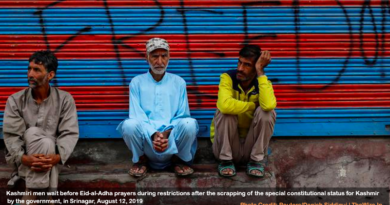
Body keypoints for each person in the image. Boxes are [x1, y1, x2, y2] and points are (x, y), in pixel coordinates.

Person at [117, 38, 198, 178]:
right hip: (147, 141)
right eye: (155, 56)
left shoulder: (178, 82)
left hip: (172, 140)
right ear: (147, 57)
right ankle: (141, 160)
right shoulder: (137, 82)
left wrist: (165, 134)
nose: (159, 62)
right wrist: (154, 134)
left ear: (169, 57)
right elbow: (137, 116)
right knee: (129, 125)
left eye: (164, 56)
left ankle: (179, 160)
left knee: (189, 123)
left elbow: (182, 115)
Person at [3, 50, 79, 197]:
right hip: (24, 158)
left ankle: (30, 195)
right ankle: (48, 196)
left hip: (51, 158)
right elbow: (11, 136)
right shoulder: (15, 100)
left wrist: (57, 157)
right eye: (29, 68)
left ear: (50, 75)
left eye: (37, 70)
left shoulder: (65, 99)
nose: (30, 74)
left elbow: (70, 133)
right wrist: (23, 158)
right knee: (33, 134)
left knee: (47, 143)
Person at [210, 45, 277, 178]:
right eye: (239, 62)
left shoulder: (262, 83)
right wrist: (252, 105)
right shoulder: (227, 77)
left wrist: (260, 72)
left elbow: (269, 105)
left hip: (250, 148)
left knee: (267, 113)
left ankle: (257, 161)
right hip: (226, 146)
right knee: (225, 113)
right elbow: (224, 105)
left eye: (247, 65)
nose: (240, 68)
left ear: (256, 67)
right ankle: (225, 161)